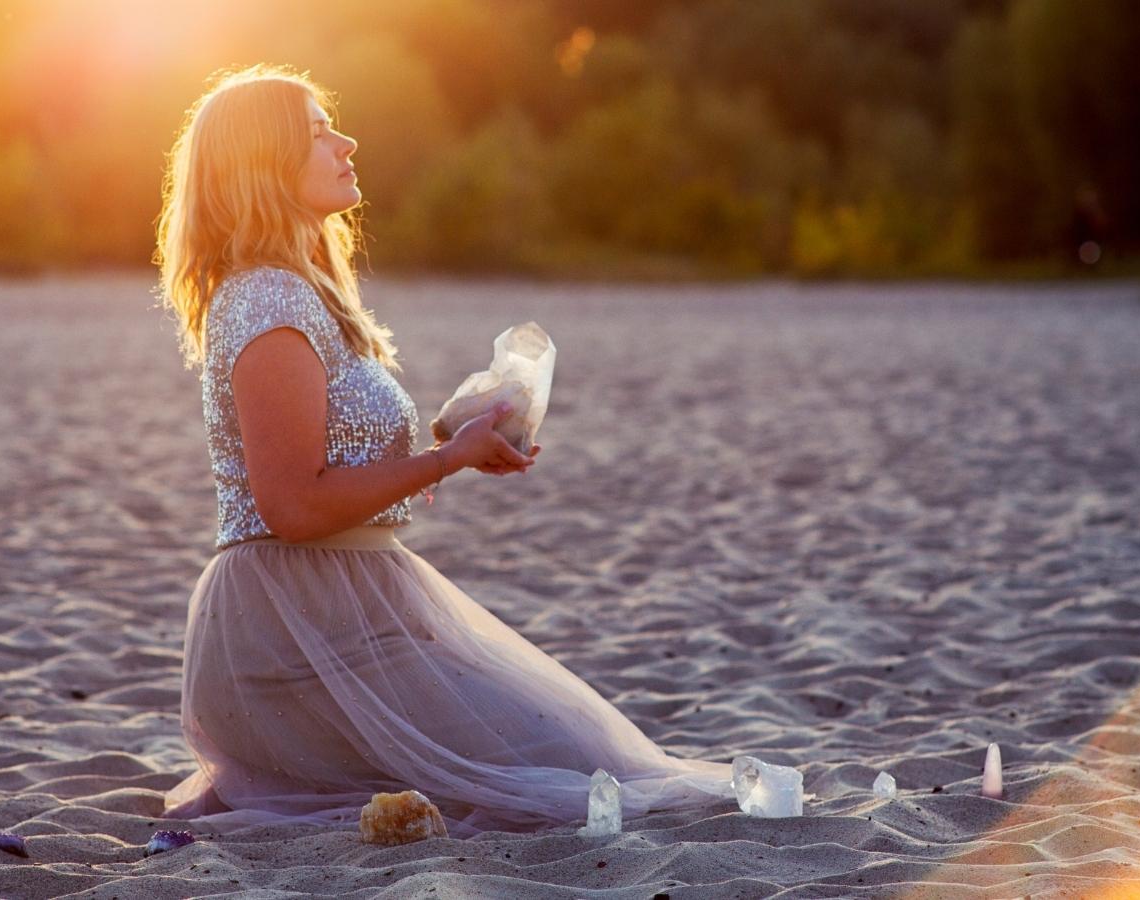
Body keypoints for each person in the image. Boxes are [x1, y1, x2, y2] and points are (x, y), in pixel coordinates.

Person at [153, 64, 735, 838]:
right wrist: (446, 460)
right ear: (264, 163)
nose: (348, 142)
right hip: (290, 632)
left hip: (354, 607)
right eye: (320, 131)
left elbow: (334, 449)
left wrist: (455, 431)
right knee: (559, 776)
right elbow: (291, 506)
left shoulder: (301, 289)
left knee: (577, 756)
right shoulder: (265, 300)